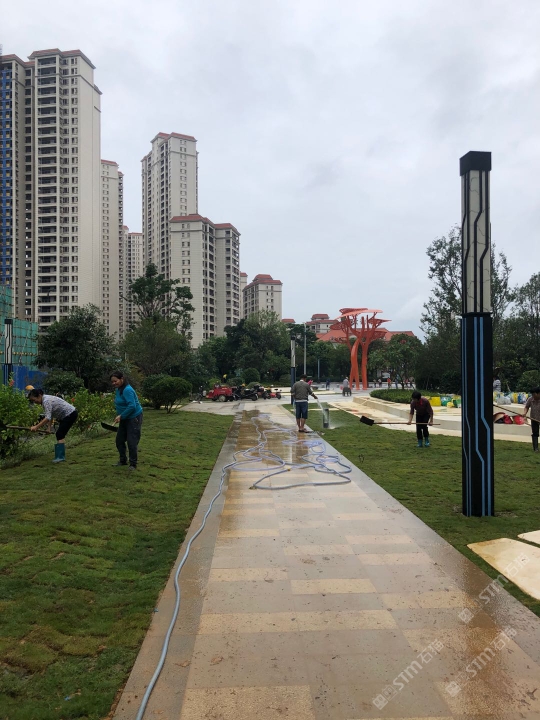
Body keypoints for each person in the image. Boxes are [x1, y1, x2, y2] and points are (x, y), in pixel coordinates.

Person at [28, 388, 78, 463]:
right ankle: (60, 456)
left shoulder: (46, 401)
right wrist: (49, 428)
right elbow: (50, 415)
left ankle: (60, 457)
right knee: (60, 434)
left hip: (70, 414)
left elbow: (47, 418)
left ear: (39, 395)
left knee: (60, 434)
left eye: (34, 400)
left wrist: (36, 427)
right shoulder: (45, 400)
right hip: (68, 415)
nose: (35, 402)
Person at [110, 371, 143, 470]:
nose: (114, 383)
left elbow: (132, 406)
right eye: (112, 382)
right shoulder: (119, 389)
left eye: (115, 381)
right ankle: (123, 460)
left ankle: (133, 464)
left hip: (134, 417)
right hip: (124, 417)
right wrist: (120, 415)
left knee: (131, 441)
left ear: (122, 379)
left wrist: (121, 415)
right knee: (119, 440)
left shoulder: (127, 390)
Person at [523, 386, 540, 453]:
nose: (533, 396)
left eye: (534, 394)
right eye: (532, 394)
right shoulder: (531, 399)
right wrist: (525, 413)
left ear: (538, 393)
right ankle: (536, 448)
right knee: (535, 433)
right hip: (534, 419)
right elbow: (526, 407)